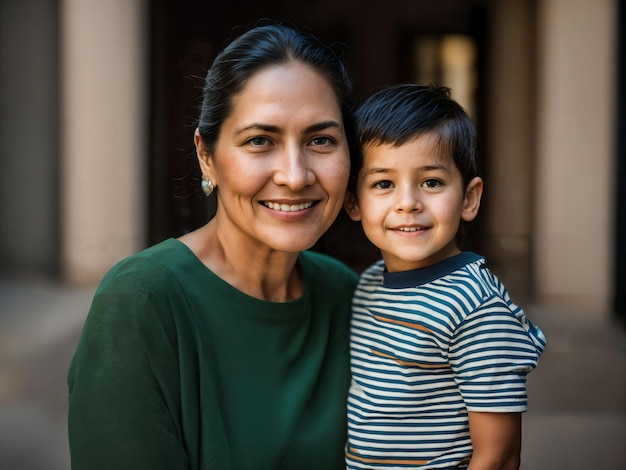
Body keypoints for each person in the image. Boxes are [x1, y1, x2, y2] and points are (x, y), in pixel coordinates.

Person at [67, 23, 360, 470]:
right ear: (207, 155)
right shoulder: (141, 300)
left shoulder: (347, 293)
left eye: (321, 140)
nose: (296, 175)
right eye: (260, 141)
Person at [343, 83, 546, 469]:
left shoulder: (476, 307)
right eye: (383, 183)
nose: (408, 203)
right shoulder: (369, 283)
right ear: (354, 201)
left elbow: (499, 455)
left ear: (469, 198)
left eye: (431, 182)